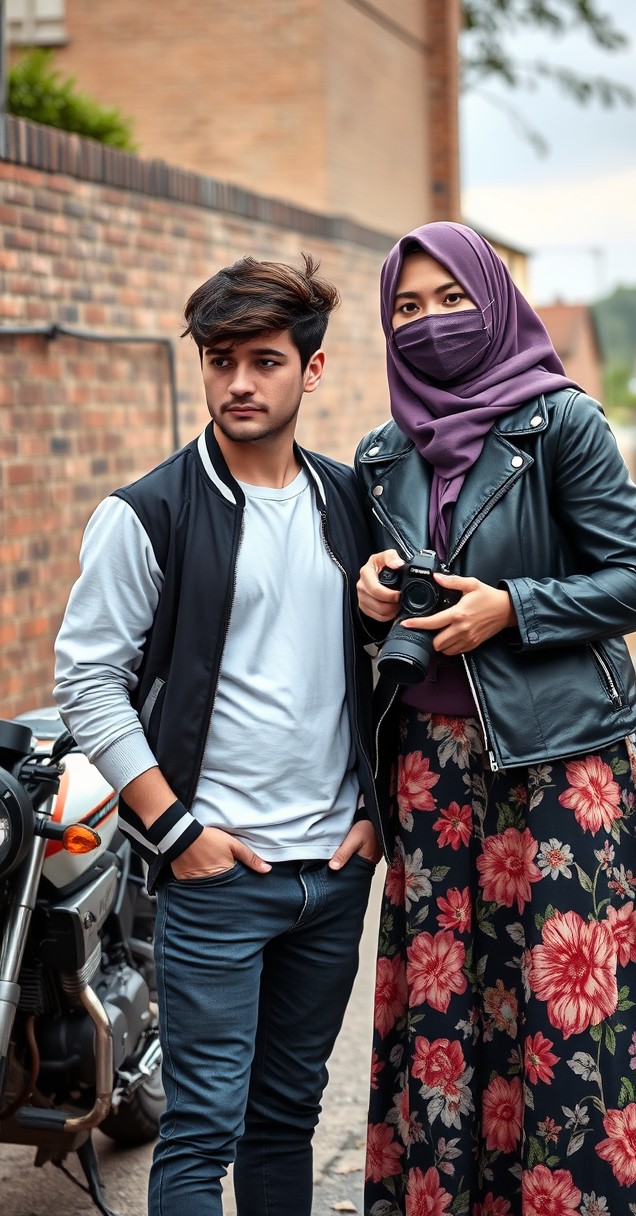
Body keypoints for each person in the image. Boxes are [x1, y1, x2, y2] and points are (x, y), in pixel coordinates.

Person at [355, 223, 636, 1216]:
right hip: (431, 777)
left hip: (561, 769)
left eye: (450, 298)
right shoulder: (379, 455)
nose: (429, 323)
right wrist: (363, 591)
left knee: (570, 1027)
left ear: (493, 301)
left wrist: (514, 606)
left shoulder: (561, 422)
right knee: (452, 1035)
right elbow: (387, 604)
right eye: (406, 307)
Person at [53, 254, 384, 1216]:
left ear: (311, 371)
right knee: (202, 1128)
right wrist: (177, 833)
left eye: (266, 361)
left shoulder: (350, 504)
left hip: (331, 872)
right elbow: (88, 680)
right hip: (219, 875)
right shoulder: (146, 513)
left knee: (288, 1115)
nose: (240, 382)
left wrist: (371, 815)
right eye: (221, 359)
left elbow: (382, 672)